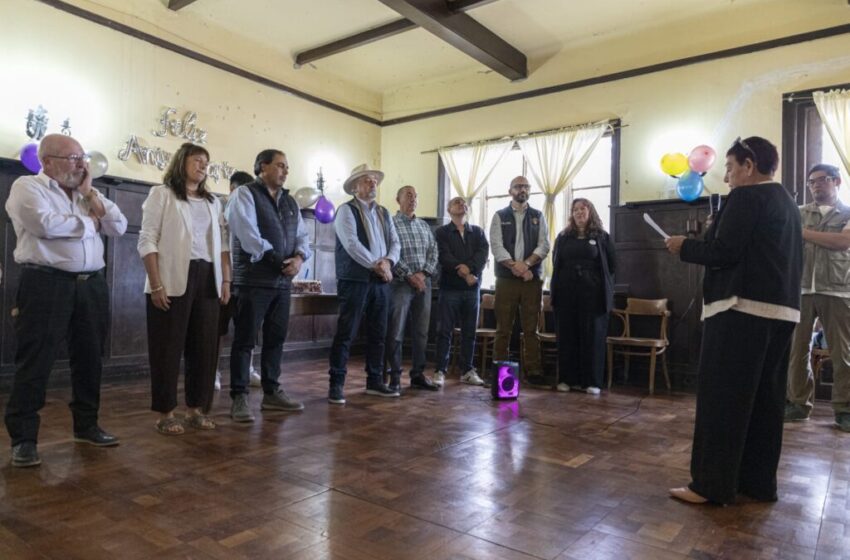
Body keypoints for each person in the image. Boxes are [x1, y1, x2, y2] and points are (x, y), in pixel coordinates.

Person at [665, 136, 802, 505]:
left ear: (749, 165)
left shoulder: (747, 197)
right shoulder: (787, 202)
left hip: (740, 310)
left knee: (722, 401)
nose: (726, 177)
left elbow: (724, 251)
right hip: (782, 312)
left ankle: (710, 485)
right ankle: (757, 484)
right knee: (765, 402)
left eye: (729, 168)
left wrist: (685, 247)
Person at [4, 133, 127, 467]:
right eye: (73, 158)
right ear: (47, 161)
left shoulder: (89, 192)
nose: (81, 165)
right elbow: (44, 225)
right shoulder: (28, 187)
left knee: (89, 359)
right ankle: (24, 439)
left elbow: (118, 225)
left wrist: (89, 195)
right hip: (45, 283)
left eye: (82, 157)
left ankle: (86, 426)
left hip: (92, 284)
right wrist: (90, 223)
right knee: (36, 360)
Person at [138, 142, 231, 435]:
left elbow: (224, 245)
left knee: (204, 348)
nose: (203, 166)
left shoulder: (213, 202)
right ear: (182, 162)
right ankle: (165, 413)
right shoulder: (162, 194)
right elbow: (147, 240)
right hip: (171, 278)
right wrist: (155, 284)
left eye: (206, 162)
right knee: (167, 348)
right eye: (197, 160)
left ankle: (196, 409)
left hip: (208, 278)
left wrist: (226, 280)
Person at [226, 149, 311, 422]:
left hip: (282, 282)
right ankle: (239, 397)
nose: (286, 171)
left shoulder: (290, 201)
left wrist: (298, 258)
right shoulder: (245, 194)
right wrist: (279, 261)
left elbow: (302, 236)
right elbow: (248, 235)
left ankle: (272, 393)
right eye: (280, 166)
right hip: (253, 281)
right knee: (245, 340)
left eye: (287, 167)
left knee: (276, 339)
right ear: (262, 167)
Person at [328, 164, 401, 404]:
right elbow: (351, 243)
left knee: (378, 333)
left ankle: (375, 381)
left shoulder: (384, 212)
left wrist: (388, 262)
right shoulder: (346, 211)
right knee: (346, 332)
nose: (373, 184)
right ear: (355, 187)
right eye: (367, 180)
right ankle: (336, 384)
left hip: (381, 280)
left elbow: (395, 243)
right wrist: (376, 265)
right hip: (355, 279)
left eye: (374, 181)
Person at [785, 163, 850, 429]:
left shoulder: (847, 212)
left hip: (837, 288)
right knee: (797, 350)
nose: (815, 185)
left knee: (843, 352)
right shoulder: (798, 212)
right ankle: (799, 404)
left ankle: (845, 409)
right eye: (811, 182)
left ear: (836, 182)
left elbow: (843, 242)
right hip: (800, 288)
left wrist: (803, 234)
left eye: (821, 180)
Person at [550, 198, 615, 395]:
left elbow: (611, 266)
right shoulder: (563, 237)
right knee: (567, 335)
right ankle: (567, 379)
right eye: (575, 209)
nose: (579, 212)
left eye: (583, 208)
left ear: (590, 212)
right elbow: (556, 262)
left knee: (593, 336)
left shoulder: (602, 237)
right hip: (566, 293)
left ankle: (592, 381)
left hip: (593, 294)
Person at [489, 176, 550, 385]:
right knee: (503, 328)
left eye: (525, 186)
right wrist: (517, 267)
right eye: (518, 186)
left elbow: (544, 245)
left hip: (532, 280)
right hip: (506, 280)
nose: (522, 189)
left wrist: (527, 265)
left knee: (532, 329)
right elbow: (496, 246)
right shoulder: (499, 216)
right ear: (510, 191)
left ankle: (534, 371)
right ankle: (500, 371)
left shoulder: (538, 216)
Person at [385, 186, 440, 393]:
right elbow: (390, 252)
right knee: (396, 331)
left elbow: (434, 252)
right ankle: (395, 377)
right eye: (408, 195)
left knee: (421, 332)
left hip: (423, 283)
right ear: (397, 199)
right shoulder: (390, 223)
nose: (413, 199)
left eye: (415, 196)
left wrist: (423, 274)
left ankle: (417, 374)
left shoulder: (424, 225)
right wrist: (409, 275)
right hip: (400, 283)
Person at [433, 196, 489, 386]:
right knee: (444, 331)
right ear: (449, 210)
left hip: (472, 289)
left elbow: (482, 255)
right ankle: (440, 370)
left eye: (464, 202)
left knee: (469, 332)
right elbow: (444, 256)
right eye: (457, 202)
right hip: (450, 288)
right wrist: (463, 271)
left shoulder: (478, 232)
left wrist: (470, 271)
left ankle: (467, 370)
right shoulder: (441, 232)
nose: (461, 204)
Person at [214, 170, 261, 392]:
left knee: (248, 329)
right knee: (217, 329)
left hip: (247, 278)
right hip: (222, 276)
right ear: (232, 190)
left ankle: (248, 370)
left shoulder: (255, 210)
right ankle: (213, 372)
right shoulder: (217, 207)